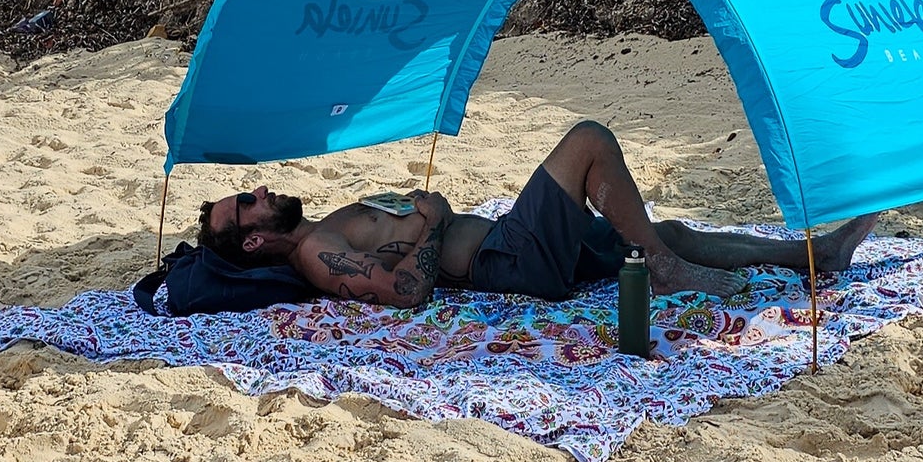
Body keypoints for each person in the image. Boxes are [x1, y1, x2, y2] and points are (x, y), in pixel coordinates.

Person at [198, 120, 878, 309]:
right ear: (256, 241)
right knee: (586, 141)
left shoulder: (319, 226)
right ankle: (664, 269)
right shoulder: (317, 255)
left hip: (511, 243)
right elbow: (405, 294)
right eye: (248, 203)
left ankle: (818, 256)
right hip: (510, 260)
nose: (260, 190)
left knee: (659, 231)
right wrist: (433, 223)